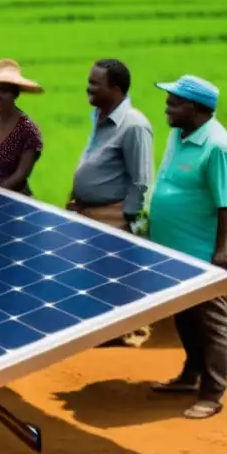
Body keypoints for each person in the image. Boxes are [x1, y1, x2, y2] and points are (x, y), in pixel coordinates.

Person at [149, 75, 227, 420]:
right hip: (173, 250)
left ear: (196, 109)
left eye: (175, 101)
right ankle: (190, 374)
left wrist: (223, 252)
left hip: (202, 253)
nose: (167, 106)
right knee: (185, 317)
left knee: (212, 323)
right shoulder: (178, 134)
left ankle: (212, 393)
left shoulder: (217, 147)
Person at [67, 59, 154, 348]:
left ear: (115, 89)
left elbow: (141, 179)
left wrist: (125, 217)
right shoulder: (100, 116)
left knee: (115, 275)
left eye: (95, 83)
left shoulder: (134, 125)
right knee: (96, 273)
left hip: (112, 213)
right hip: (88, 211)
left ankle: (124, 332)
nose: (88, 88)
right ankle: (101, 330)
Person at [0, 59, 44, 195]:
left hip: (12, 198)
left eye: (5, 91)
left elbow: (21, 174)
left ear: (15, 94)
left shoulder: (28, 131)